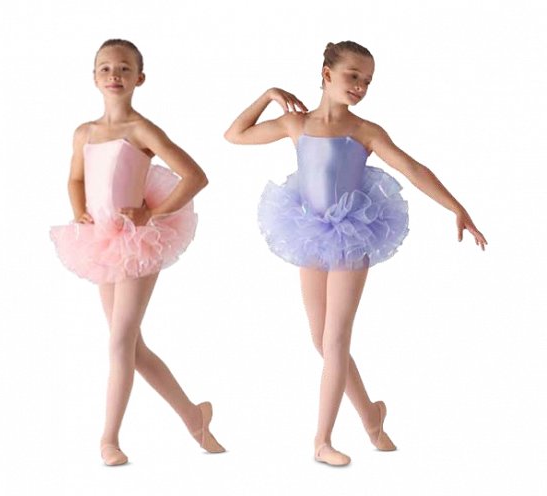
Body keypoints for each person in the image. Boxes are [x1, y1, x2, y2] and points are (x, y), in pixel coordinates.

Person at [224, 40, 487, 466]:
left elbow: (413, 168)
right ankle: (371, 416)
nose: (361, 87)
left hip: (352, 234)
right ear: (326, 74)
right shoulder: (295, 124)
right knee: (320, 340)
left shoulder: (366, 131)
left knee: (335, 339)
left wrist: (456, 207)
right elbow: (234, 135)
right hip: (309, 233)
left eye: (367, 81)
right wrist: (269, 94)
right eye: (353, 76)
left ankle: (322, 441)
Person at [50, 39, 225, 466]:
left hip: (137, 241)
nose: (115, 75)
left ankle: (108, 439)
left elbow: (195, 176)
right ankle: (194, 417)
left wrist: (152, 213)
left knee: (119, 342)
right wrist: (78, 212)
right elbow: (76, 179)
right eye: (105, 68)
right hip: (101, 242)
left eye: (124, 68)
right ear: (94, 77)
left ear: (139, 78)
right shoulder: (84, 132)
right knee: (131, 346)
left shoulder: (141, 130)